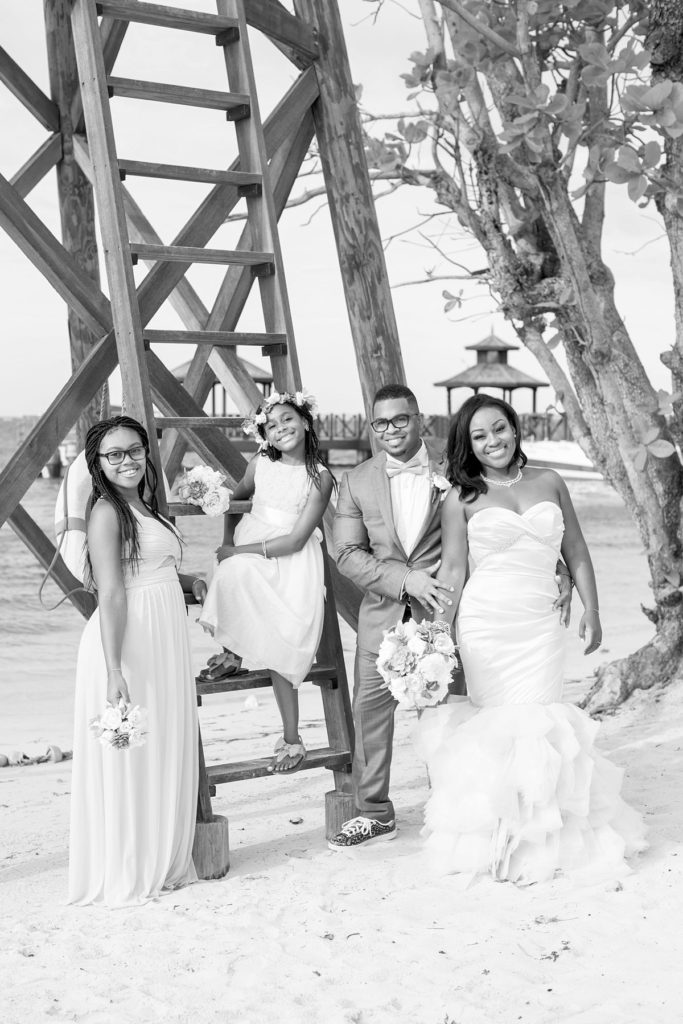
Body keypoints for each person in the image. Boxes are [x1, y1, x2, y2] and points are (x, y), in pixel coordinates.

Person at [330, 385, 574, 850]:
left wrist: (556, 566)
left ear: (418, 418)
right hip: (383, 613)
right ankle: (374, 812)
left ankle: (457, 805)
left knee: (457, 715)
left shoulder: (456, 466)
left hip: (453, 614)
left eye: (400, 420)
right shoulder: (356, 480)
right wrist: (407, 580)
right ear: (371, 427)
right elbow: (345, 553)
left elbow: (506, 518)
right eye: (380, 423)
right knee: (371, 714)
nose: (391, 430)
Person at [416, 395, 647, 885]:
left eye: (499, 429)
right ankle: (495, 840)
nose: (492, 441)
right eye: (479, 436)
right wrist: (438, 634)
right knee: (498, 726)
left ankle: (542, 839)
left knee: (542, 720)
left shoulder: (550, 481)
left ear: (515, 430)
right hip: (486, 624)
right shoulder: (461, 497)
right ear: (468, 446)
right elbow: (454, 569)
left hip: (540, 623)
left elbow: (577, 548)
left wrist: (593, 609)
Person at [69, 416, 202, 908]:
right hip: (127, 644)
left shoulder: (142, 507)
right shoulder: (106, 511)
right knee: (129, 753)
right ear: (98, 464)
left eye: (134, 451)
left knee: (161, 744)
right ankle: (129, 864)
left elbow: (155, 569)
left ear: (147, 453)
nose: (126, 461)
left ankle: (160, 856)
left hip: (161, 636)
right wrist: (114, 670)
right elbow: (112, 593)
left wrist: (194, 584)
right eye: (114, 454)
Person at [198, 390, 334, 773]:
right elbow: (234, 500)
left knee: (281, 647)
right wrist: (228, 542)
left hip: (288, 560)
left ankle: (292, 736)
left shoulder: (319, 478)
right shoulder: (260, 463)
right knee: (229, 571)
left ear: (305, 421)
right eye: (271, 426)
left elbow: (294, 540)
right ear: (265, 437)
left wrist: (239, 552)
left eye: (288, 419)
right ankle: (232, 650)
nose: (281, 429)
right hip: (249, 553)